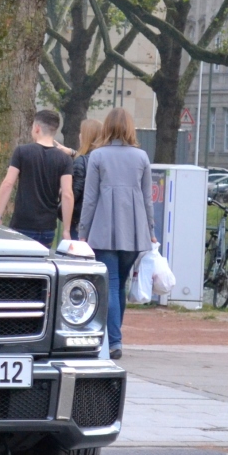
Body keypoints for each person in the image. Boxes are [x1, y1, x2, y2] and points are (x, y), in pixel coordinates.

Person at [79, 108, 157, 359]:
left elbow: (90, 199)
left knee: (110, 284)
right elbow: (147, 200)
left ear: (107, 128)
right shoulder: (142, 157)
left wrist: (83, 232)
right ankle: (116, 337)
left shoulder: (97, 156)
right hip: (134, 231)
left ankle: (114, 340)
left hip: (103, 229)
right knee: (120, 285)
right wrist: (151, 232)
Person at [0, 110, 74, 248]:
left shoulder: (22, 152)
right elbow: (67, 194)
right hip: (47, 227)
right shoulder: (64, 159)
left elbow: (8, 184)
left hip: (22, 224)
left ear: (37, 128)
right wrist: (66, 230)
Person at [70, 118, 104, 240]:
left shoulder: (81, 161)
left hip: (79, 222)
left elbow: (74, 193)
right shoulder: (103, 159)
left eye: (81, 132)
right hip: (100, 221)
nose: (79, 135)